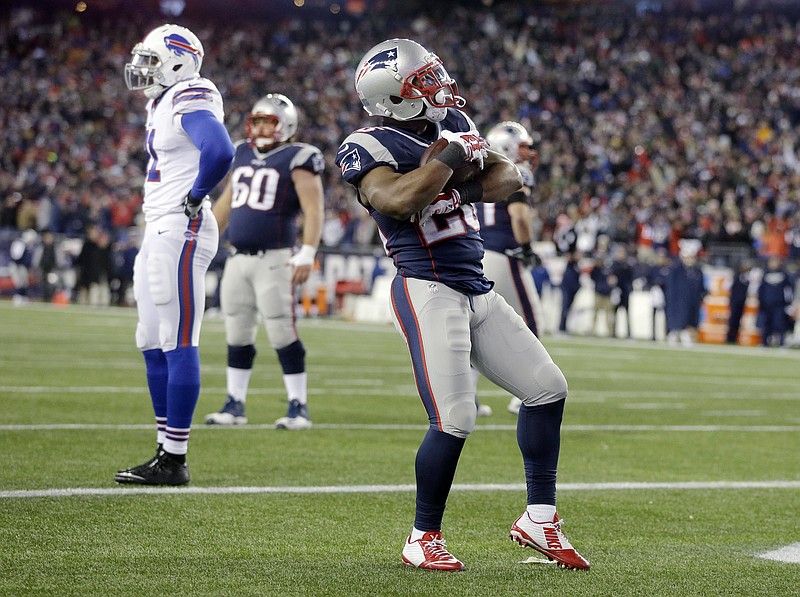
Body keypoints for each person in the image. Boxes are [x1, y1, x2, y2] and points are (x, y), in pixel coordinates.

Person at [335, 38, 589, 572]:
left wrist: (453, 183)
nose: (438, 85)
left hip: (476, 286)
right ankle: (421, 536)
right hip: (426, 287)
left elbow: (507, 178)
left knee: (547, 389)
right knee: (455, 416)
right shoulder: (366, 144)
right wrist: (452, 160)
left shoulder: (447, 122)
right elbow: (398, 201)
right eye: (423, 80)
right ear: (395, 97)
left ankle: (540, 519)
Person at [114, 24, 234, 486]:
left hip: (180, 227)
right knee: (150, 337)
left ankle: (175, 458)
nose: (143, 67)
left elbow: (220, 150)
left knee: (178, 337)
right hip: (160, 227)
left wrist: (196, 194)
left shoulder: (192, 92)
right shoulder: (161, 102)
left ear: (179, 60)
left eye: (152, 58)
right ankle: (165, 449)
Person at [204, 93, 324, 429]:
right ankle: (235, 403)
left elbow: (314, 208)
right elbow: (228, 203)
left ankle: (298, 405)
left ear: (284, 124)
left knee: (281, 330)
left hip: (275, 258)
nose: (258, 127)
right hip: (237, 258)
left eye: (266, 121)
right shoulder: (242, 152)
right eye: (255, 121)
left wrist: (307, 251)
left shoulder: (299, 156)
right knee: (237, 330)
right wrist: (205, 237)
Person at [475, 121, 544, 416]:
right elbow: (518, 215)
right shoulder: (517, 173)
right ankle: (528, 393)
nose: (527, 154)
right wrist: (527, 248)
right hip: (504, 254)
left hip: (477, 254)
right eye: (522, 147)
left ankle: (465, 397)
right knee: (532, 321)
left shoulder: (479, 169)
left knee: (475, 329)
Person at [665, 239, 706, 347]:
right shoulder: (676, 270)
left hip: (692, 303)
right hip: (678, 302)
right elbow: (671, 288)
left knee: (690, 323)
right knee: (677, 326)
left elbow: (700, 289)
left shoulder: (697, 271)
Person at [756, 256, 793, 347]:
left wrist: (788, 302)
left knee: (780, 323)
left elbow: (789, 289)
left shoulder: (784, 274)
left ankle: (781, 342)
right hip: (766, 304)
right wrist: (760, 300)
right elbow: (761, 289)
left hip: (779, 304)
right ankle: (765, 342)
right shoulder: (765, 273)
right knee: (765, 323)